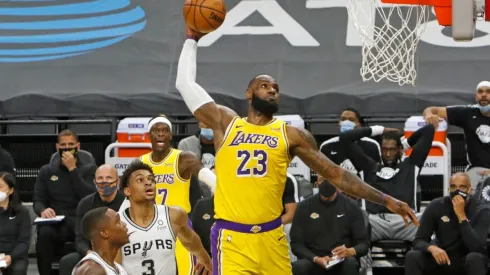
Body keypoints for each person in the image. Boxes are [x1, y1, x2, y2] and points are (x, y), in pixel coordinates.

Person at [175, 26, 418, 275]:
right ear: (248, 93)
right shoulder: (226, 123)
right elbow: (185, 84)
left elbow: (337, 175)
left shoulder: (291, 135)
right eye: (264, 85)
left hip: (272, 239)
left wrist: (386, 199)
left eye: (276, 88)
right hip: (232, 238)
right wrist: (192, 40)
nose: (272, 90)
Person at [134, 114, 215, 275]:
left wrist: (218, 185)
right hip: (150, 229)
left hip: (180, 229)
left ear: (171, 135)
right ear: (149, 135)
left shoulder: (183, 158)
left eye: (165, 130)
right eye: (156, 130)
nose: (161, 134)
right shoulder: (140, 163)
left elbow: (206, 175)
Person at [339, 124, 434, 242]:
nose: (388, 154)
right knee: (357, 222)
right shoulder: (368, 167)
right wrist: (379, 130)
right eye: (384, 149)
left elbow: (429, 130)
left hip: (405, 222)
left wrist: (406, 144)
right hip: (375, 222)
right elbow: (344, 138)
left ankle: (420, 259)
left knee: (430, 220)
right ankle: (361, 260)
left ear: (399, 149)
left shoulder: (411, 165)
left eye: (392, 150)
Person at [116, 160, 212, 275]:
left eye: (151, 179)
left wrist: (205, 259)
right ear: (127, 190)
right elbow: (114, 266)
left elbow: (190, 241)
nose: (148, 183)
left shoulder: (174, 215)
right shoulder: (117, 223)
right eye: (140, 180)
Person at [33, 129, 97, 275]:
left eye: (71, 144)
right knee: (44, 233)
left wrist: (72, 169)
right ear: (57, 147)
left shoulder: (90, 169)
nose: (67, 148)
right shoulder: (47, 171)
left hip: (80, 221)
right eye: (63, 145)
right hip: (58, 222)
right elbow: (38, 200)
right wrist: (43, 210)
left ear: (78, 147)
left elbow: (90, 196)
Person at [405, 172, 490, 275]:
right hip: (441, 258)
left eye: (462, 187)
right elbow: (418, 241)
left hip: (465, 260)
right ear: (449, 189)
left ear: (470, 191)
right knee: (413, 256)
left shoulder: (482, 210)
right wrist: (431, 248)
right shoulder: (437, 205)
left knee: (475, 258)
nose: (457, 191)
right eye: (453, 187)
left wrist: (461, 216)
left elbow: (478, 247)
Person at [290, 180, 369, 275]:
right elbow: (296, 245)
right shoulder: (304, 207)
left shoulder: (351, 206)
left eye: (329, 177)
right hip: (314, 260)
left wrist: (349, 251)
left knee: (350, 264)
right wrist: (316, 259)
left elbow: (363, 244)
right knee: (299, 267)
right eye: (322, 178)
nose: (326, 181)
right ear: (317, 181)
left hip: (342, 260)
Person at [60, 164, 126, 275]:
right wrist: (90, 254)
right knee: (68, 261)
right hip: (93, 252)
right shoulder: (85, 204)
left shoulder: (127, 202)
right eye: (100, 178)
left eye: (108, 178)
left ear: (117, 181)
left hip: (122, 250)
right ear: (94, 182)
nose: (104, 182)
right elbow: (80, 238)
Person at [423, 81, 490, 187]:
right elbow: (431, 110)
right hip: (476, 170)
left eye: (488, 92)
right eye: (480, 92)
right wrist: (429, 115)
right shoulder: (468, 113)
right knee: (460, 189)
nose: (484, 95)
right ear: (476, 96)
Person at [320, 108, 381, 177]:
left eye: (351, 120)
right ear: (339, 123)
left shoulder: (372, 145)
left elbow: (376, 174)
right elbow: (322, 174)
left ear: (358, 124)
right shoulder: (327, 146)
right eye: (343, 119)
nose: (346, 122)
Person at [71, 207, 130, 275]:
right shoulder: (91, 270)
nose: (124, 224)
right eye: (118, 222)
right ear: (104, 233)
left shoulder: (118, 268)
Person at [0, 172, 31, 275]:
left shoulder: (22, 212)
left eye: (0, 187)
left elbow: (24, 242)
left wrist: (10, 257)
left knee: (18, 270)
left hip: (14, 255)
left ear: (11, 190)